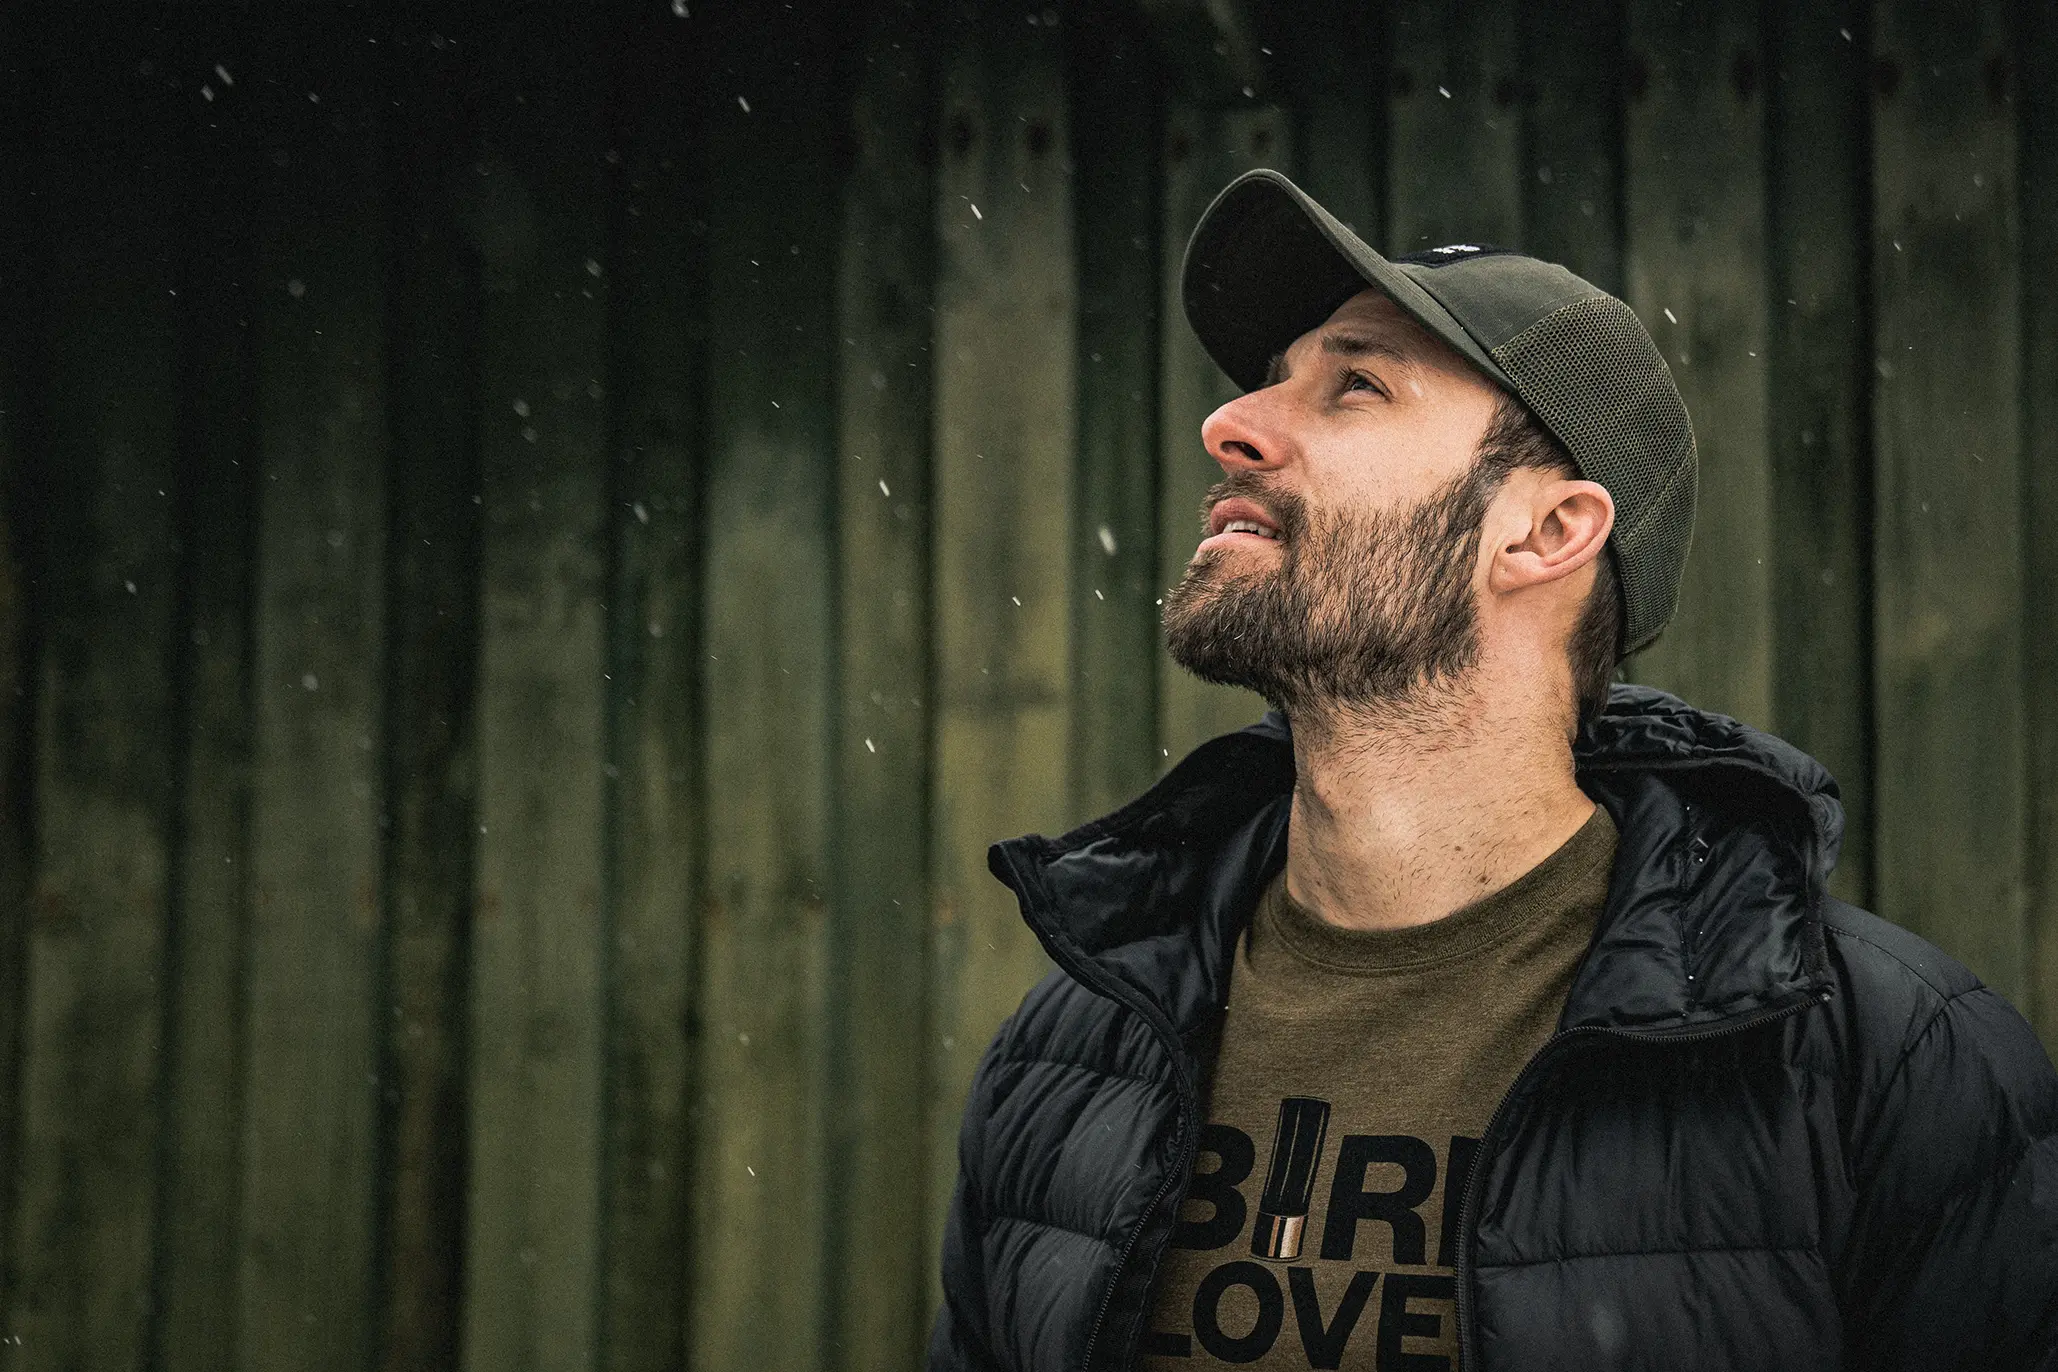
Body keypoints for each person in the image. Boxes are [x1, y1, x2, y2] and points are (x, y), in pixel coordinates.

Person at [925, 169, 2058, 1371]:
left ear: (1547, 531)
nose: (1233, 422)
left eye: (1355, 384)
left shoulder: (1882, 1061)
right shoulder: (1080, 1045)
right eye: (1273, 376)